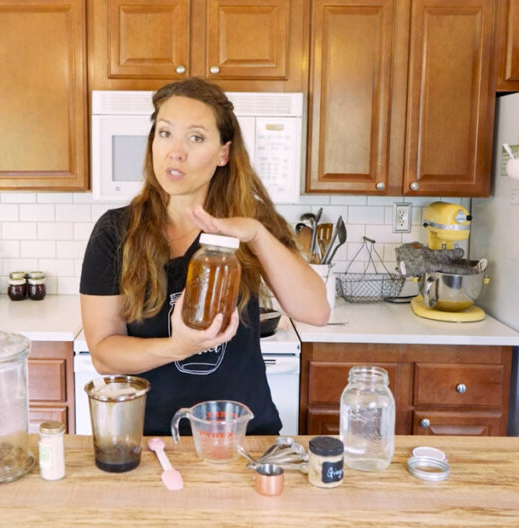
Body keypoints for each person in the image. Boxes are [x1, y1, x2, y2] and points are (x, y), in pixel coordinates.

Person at [79, 78, 331, 436]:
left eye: (195, 137)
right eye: (165, 133)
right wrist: (178, 346)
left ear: (223, 153)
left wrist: (257, 235)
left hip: (244, 436)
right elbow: (104, 353)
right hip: (152, 438)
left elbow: (316, 311)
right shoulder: (116, 231)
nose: (175, 151)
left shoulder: (252, 223)